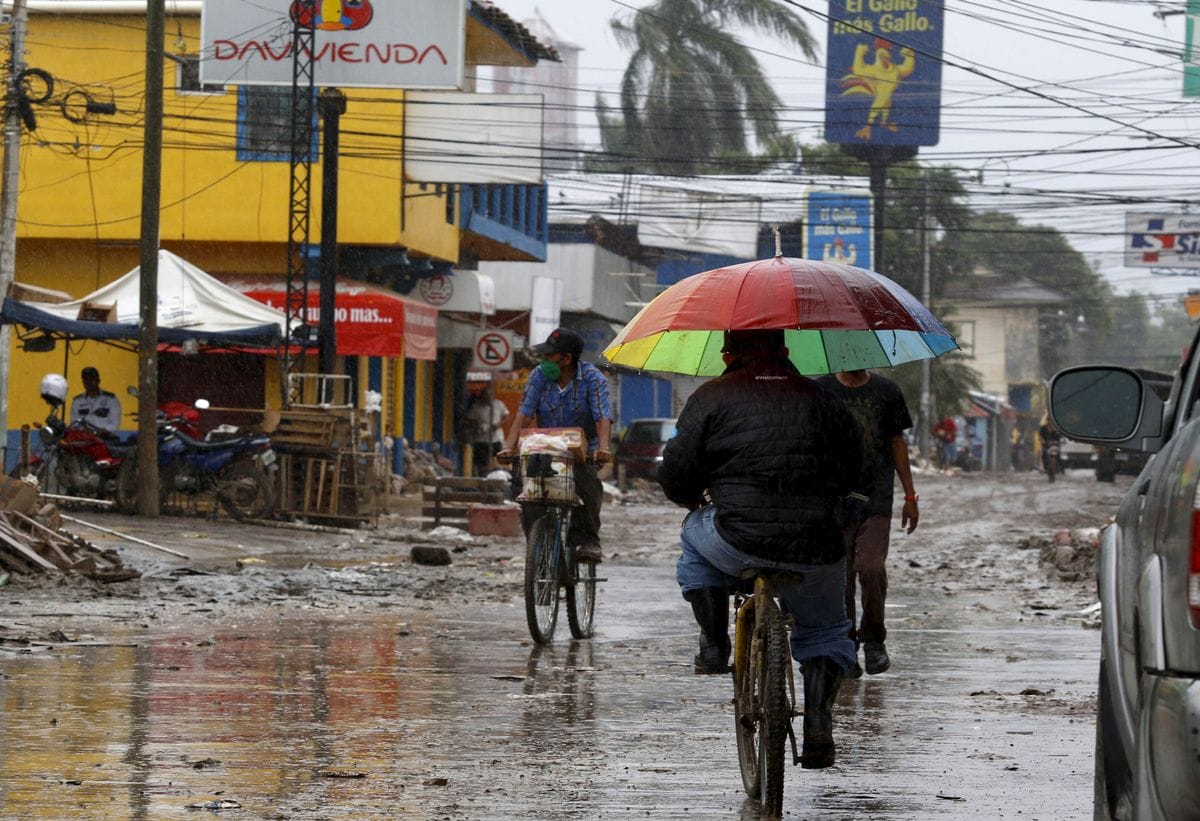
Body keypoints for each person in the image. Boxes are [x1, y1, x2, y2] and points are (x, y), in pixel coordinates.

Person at [657, 329, 864, 769]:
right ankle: (818, 727)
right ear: (785, 351)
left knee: (694, 539)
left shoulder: (711, 396)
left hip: (737, 539)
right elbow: (858, 469)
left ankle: (713, 644)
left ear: (727, 354)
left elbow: (677, 472)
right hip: (816, 544)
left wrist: (690, 495)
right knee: (826, 630)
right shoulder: (824, 398)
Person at [816, 369, 918, 678]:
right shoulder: (821, 390)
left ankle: (874, 638)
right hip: (834, 499)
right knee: (840, 578)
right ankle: (846, 645)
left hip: (875, 499)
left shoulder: (887, 391)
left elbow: (897, 443)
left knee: (871, 568)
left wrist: (910, 495)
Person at [498, 327, 612, 563]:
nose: (544, 360)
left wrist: (602, 448)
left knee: (586, 481)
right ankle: (539, 542)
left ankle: (588, 540)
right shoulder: (539, 376)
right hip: (545, 445)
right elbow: (524, 414)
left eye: (549, 355)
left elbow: (602, 417)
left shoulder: (592, 379)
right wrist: (509, 447)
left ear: (567, 359)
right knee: (525, 488)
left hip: (583, 449)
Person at [466, 384, 510, 477]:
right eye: (486, 395)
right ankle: (483, 477)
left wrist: (498, 425)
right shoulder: (477, 407)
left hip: (496, 438)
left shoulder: (498, 404)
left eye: (490, 395)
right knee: (481, 461)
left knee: (497, 458)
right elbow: (470, 419)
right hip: (481, 438)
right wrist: (478, 425)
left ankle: (497, 475)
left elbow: (506, 416)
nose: (488, 397)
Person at [70, 366, 121, 433]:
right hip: (84, 439)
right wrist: (85, 431)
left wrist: (100, 431)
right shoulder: (77, 401)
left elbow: (115, 424)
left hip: (105, 439)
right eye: (86, 380)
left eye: (91, 379)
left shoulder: (111, 399)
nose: (89, 383)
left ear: (98, 381)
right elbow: (75, 424)